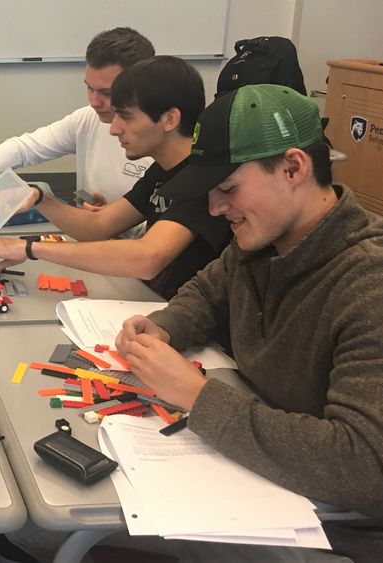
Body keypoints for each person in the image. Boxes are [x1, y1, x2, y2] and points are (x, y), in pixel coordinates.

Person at [115, 84, 383, 562]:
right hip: (265, 487)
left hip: (336, 532)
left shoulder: (368, 284)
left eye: (228, 188)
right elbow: (204, 294)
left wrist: (197, 397)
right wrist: (166, 326)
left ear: (293, 168)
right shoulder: (257, 241)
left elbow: (362, 465)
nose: (216, 208)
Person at [0, 56, 232, 300]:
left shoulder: (203, 179)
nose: (114, 128)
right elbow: (98, 226)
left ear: (169, 119)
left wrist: (30, 248)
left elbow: (147, 258)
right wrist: (38, 197)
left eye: (126, 116)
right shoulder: (162, 170)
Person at [0, 27, 154, 208]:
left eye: (106, 93)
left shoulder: (164, 140)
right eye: (89, 88)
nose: (94, 102)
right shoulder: (86, 119)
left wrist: (115, 219)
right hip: (93, 236)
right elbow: (23, 148)